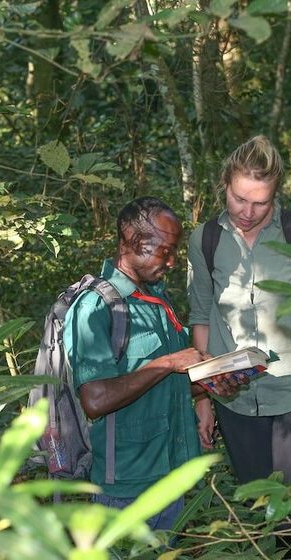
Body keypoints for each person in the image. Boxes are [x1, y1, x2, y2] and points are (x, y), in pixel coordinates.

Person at [187, 135, 291, 485]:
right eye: (239, 199)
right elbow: (201, 316)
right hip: (234, 398)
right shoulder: (205, 239)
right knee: (257, 497)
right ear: (224, 184)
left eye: (260, 203)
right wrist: (203, 397)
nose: (247, 213)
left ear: (275, 195)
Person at [63, 196, 232, 531]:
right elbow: (95, 400)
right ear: (134, 242)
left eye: (174, 251)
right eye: (164, 251)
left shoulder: (156, 302)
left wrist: (211, 383)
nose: (171, 261)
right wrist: (168, 362)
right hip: (127, 487)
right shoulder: (95, 307)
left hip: (171, 473)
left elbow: (164, 386)